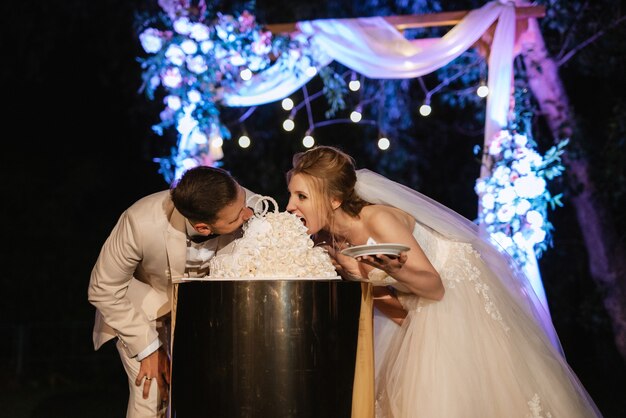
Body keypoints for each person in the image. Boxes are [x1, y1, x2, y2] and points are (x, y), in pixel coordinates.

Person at [285, 145, 602, 417]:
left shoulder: (378, 220)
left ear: (336, 199)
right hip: (416, 308)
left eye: (302, 196)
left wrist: (393, 270)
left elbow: (434, 287)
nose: (290, 206)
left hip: (456, 292)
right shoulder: (335, 242)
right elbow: (395, 306)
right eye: (291, 195)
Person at [88, 166, 254, 418]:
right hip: (142, 308)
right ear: (203, 228)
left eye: (244, 200)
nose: (248, 214)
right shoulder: (140, 220)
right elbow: (103, 288)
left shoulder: (239, 201)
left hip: (205, 313)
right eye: (235, 219)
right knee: (154, 394)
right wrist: (149, 348)